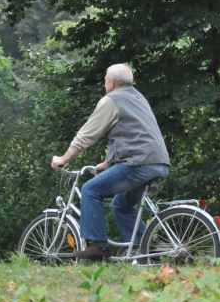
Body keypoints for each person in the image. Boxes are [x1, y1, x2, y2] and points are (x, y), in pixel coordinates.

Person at [51, 63, 170, 260]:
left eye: (105, 80)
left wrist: (63, 158)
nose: (104, 84)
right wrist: (107, 163)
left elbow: (87, 135)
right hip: (158, 162)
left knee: (90, 190)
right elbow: (133, 134)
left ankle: (98, 246)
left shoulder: (111, 100)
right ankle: (145, 249)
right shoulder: (139, 98)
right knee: (121, 206)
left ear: (112, 82)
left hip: (138, 163)